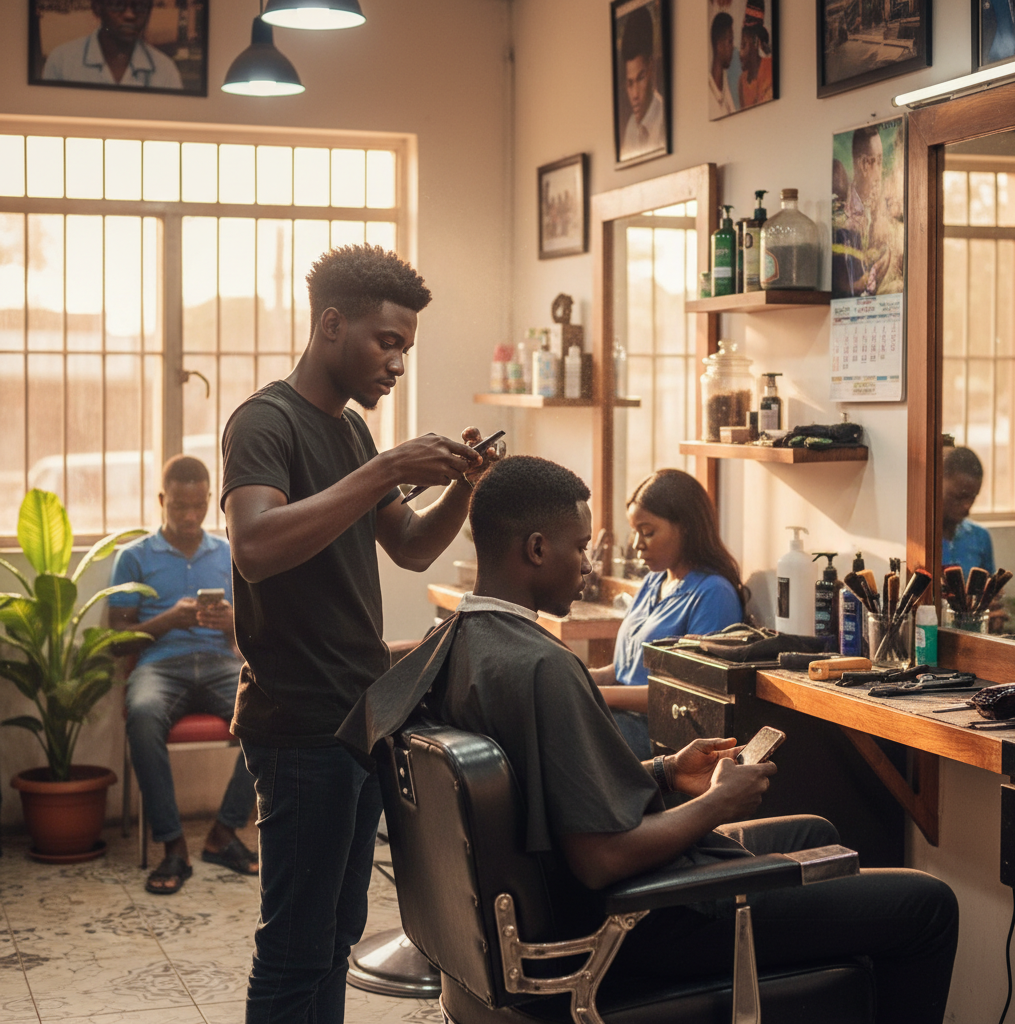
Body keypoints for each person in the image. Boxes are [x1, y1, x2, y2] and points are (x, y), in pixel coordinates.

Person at [339, 455, 959, 1024]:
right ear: (535, 548)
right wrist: (718, 802)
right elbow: (600, 857)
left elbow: (552, 794)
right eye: (579, 547)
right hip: (635, 924)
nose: (588, 564)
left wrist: (664, 772)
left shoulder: (462, 641)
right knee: (927, 903)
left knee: (816, 833)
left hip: (561, 904)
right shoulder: (541, 666)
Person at [221, 243, 499, 1024]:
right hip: (298, 721)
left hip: (359, 715)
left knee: (335, 934)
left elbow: (408, 546)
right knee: (294, 945)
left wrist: (463, 492)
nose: (398, 363)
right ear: (331, 325)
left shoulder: (350, 435)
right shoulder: (264, 422)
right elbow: (256, 546)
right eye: (388, 342)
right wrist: (383, 472)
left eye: (406, 347)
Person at [108, 455, 255, 895]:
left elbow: (256, 630)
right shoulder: (132, 559)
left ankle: (224, 834)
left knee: (273, 708)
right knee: (144, 714)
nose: (190, 516)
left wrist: (233, 623)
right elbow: (115, 640)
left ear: (211, 500)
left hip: (220, 664)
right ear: (161, 501)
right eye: (178, 507)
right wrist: (167, 620)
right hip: (160, 667)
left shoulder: (230, 554)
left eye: (198, 507)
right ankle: (174, 845)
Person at [588, 470, 744, 757]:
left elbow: (691, 694)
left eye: (647, 532)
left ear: (686, 527)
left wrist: (593, 695)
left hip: (663, 735)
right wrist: (581, 678)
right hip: (622, 717)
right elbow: (628, 670)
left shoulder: (713, 594)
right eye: (635, 532)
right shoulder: (654, 581)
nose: (637, 545)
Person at [42, 0, 183, 90]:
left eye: (139, 5)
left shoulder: (165, 71)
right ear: (97, 7)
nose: (129, 15)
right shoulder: (62, 62)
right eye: (118, 4)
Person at [833, 126, 891, 298]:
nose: (882, 171)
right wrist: (874, 274)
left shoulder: (880, 211)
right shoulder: (841, 218)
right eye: (879, 162)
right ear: (865, 165)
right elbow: (845, 281)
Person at [618, 4, 665, 161]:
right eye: (630, 83)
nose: (635, 95)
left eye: (641, 78)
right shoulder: (631, 128)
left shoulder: (664, 120)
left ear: (651, 68)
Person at [942, 445, 995, 574]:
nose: (967, 505)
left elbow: (990, 589)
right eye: (959, 497)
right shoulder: (920, 539)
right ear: (936, 486)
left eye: (972, 497)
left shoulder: (980, 538)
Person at [737, 0, 773, 109]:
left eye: (743, 45)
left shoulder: (769, 69)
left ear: (755, 43)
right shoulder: (742, 81)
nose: (740, 54)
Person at [708, 11, 736, 119]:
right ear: (719, 45)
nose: (733, 47)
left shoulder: (726, 88)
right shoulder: (707, 93)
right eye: (730, 41)